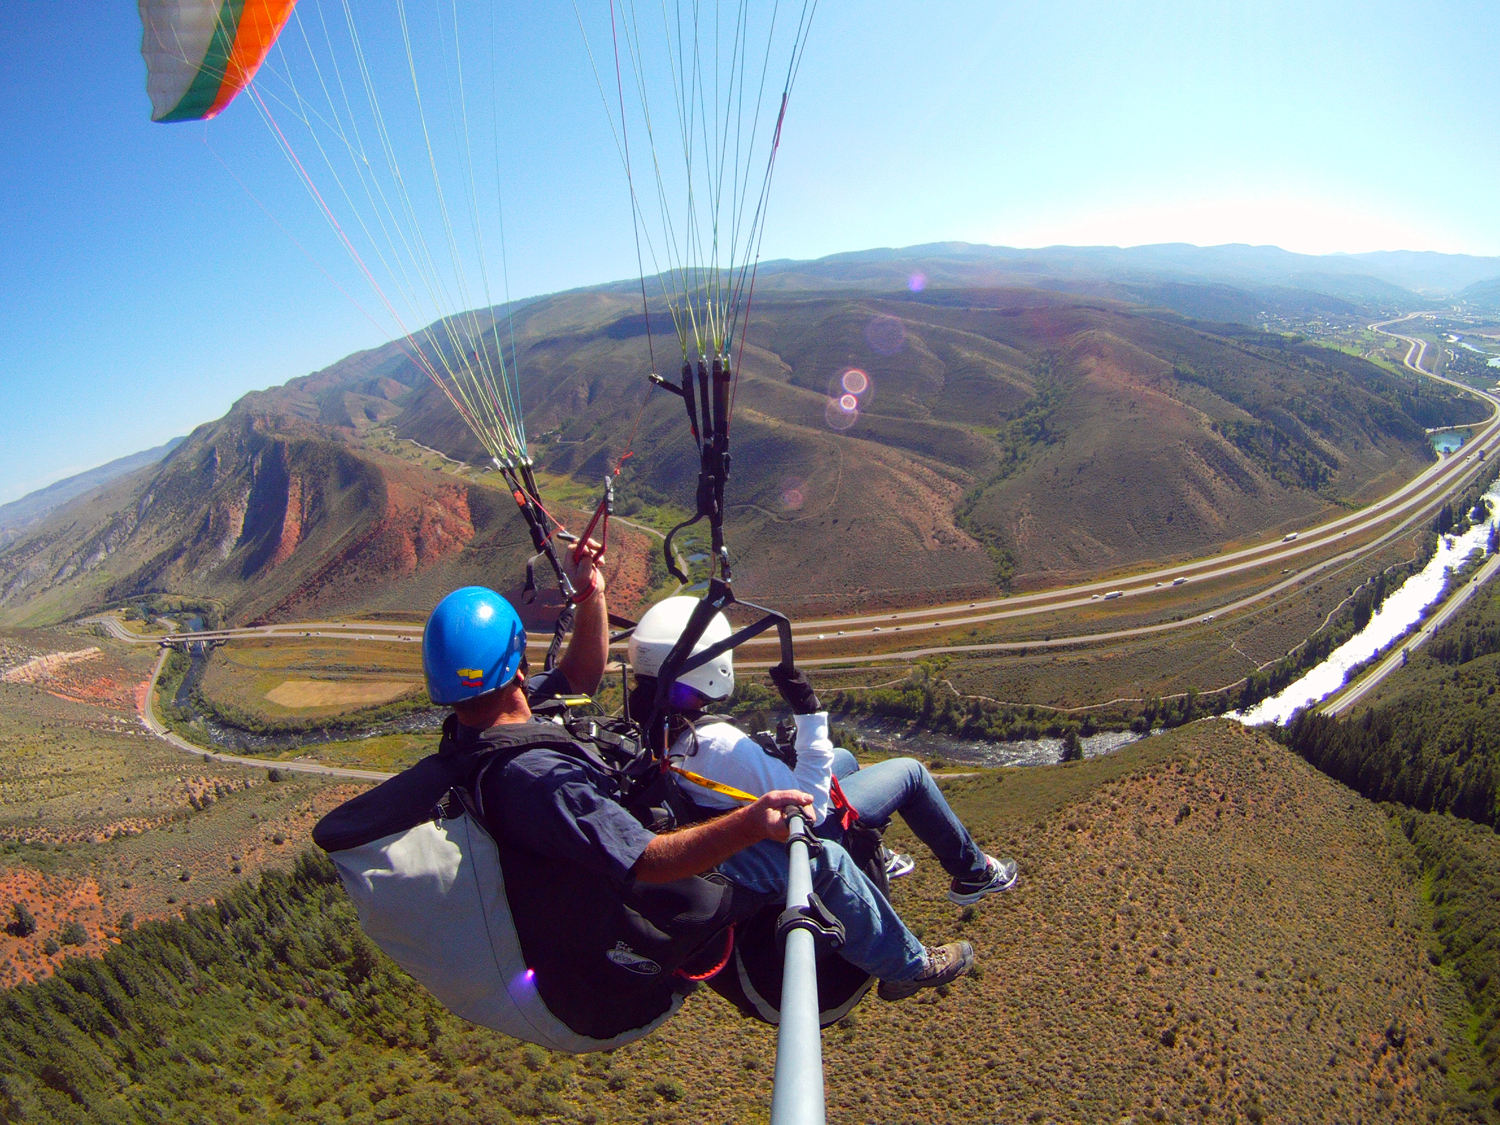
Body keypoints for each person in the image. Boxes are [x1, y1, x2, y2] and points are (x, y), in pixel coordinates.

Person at [429, 561, 974, 1002]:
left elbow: (580, 674)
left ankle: (885, 865)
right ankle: (906, 966)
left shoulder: (488, 726)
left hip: (671, 811)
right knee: (820, 859)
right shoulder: (539, 779)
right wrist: (746, 824)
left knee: (845, 764)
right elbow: (647, 860)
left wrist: (591, 594)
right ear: (518, 668)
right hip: (662, 866)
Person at [627, 597, 1018, 1000]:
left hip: (727, 822)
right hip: (801, 828)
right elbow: (810, 806)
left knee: (845, 759)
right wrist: (809, 714)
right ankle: (972, 874)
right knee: (911, 773)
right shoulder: (714, 744)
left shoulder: (658, 727)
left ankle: (880, 854)